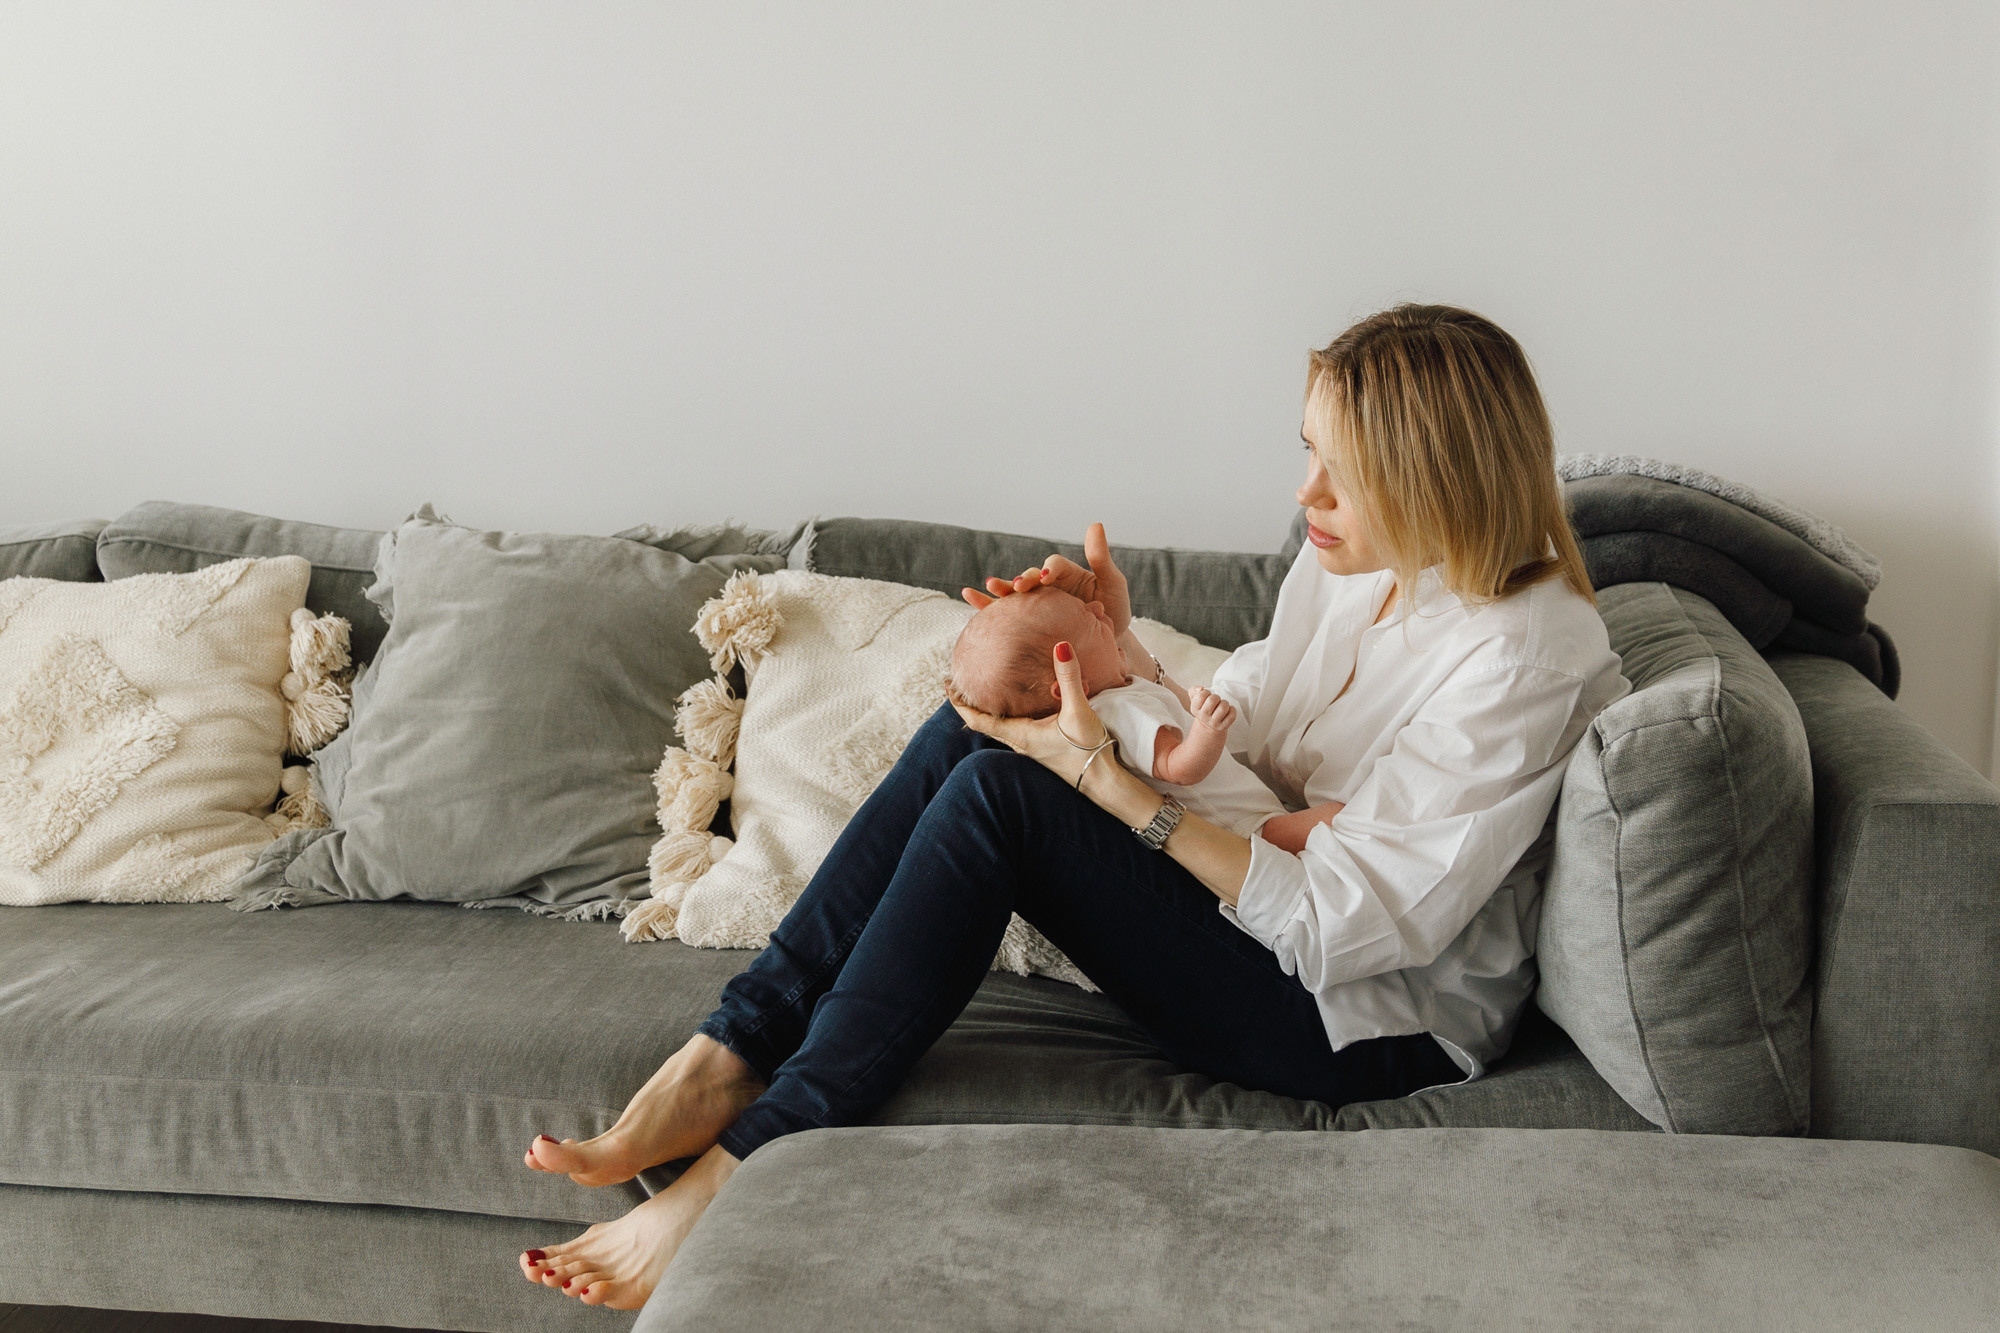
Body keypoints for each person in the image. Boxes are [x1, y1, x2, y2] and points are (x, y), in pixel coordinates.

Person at [515, 304, 1629, 1310]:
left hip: (1364, 1018)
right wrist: (1112, 658)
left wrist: (1106, 780)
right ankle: (730, 1050)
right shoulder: (1353, 561)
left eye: (1344, 474)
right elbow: (1259, 704)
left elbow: (1350, 922)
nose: (1305, 499)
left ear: (1440, 478)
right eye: (1307, 455)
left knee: (1006, 790)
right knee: (980, 717)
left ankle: (746, 1164)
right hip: (1267, 907)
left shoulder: (1523, 650)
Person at [947, 583, 1291, 842]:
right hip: (1245, 829)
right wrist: (1208, 728)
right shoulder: (1120, 709)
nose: (1100, 609)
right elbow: (1181, 768)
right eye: (1092, 622)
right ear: (1073, 682)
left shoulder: (1114, 700)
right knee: (1335, 819)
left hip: (1244, 819)